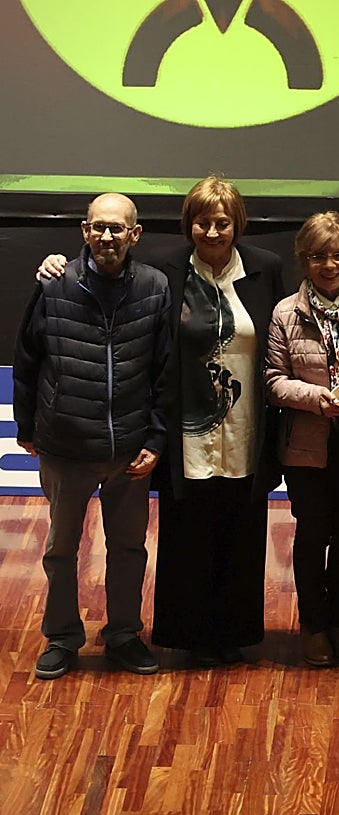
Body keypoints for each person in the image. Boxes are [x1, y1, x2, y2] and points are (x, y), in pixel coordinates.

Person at [38, 177, 287, 667]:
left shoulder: (266, 269)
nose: (213, 232)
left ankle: (232, 633)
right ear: (187, 224)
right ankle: (187, 634)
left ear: (238, 224)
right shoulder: (164, 270)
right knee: (185, 533)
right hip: (182, 429)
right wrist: (53, 263)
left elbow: (275, 346)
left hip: (245, 426)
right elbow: (105, 277)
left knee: (240, 529)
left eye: (223, 222)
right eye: (202, 222)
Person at [14, 193, 171, 680]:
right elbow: (27, 358)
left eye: (117, 229)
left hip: (128, 447)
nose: (107, 237)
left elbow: (165, 370)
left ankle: (123, 634)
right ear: (85, 231)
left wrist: (156, 436)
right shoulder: (54, 283)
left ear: (134, 234)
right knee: (61, 550)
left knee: (128, 549)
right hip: (65, 446)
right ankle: (62, 637)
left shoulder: (154, 287)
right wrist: (27, 427)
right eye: (99, 228)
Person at [265, 211, 339, 667]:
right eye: (318, 256)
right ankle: (313, 627)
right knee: (313, 535)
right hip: (307, 446)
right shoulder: (285, 313)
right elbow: (274, 380)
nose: (329, 265)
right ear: (303, 260)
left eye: (337, 255)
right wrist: (320, 399)